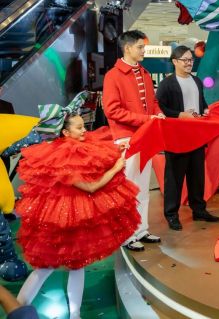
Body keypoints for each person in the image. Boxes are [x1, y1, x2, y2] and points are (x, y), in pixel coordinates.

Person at [15, 115, 140, 319]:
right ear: (65, 132)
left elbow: (97, 154)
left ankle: (71, 314)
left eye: (84, 126)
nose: (84, 131)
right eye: (79, 128)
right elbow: (91, 187)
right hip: (61, 221)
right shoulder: (62, 157)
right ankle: (19, 310)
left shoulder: (74, 147)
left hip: (73, 218)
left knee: (71, 266)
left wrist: (118, 148)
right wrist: (116, 168)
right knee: (47, 267)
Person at [103, 30, 165, 251]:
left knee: (142, 187)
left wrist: (158, 114)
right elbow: (112, 110)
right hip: (126, 139)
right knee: (128, 188)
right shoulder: (113, 75)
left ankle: (141, 229)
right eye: (140, 47)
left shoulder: (145, 73)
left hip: (144, 137)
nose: (143, 50)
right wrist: (146, 119)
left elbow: (153, 102)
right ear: (127, 48)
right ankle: (126, 234)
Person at [156, 46, 219, 230]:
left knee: (197, 176)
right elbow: (159, 107)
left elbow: (201, 101)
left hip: (196, 136)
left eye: (191, 59)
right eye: (185, 60)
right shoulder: (167, 84)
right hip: (177, 138)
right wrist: (179, 115)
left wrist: (205, 109)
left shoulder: (197, 81)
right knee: (174, 178)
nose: (189, 63)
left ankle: (199, 210)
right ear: (175, 62)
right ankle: (171, 215)